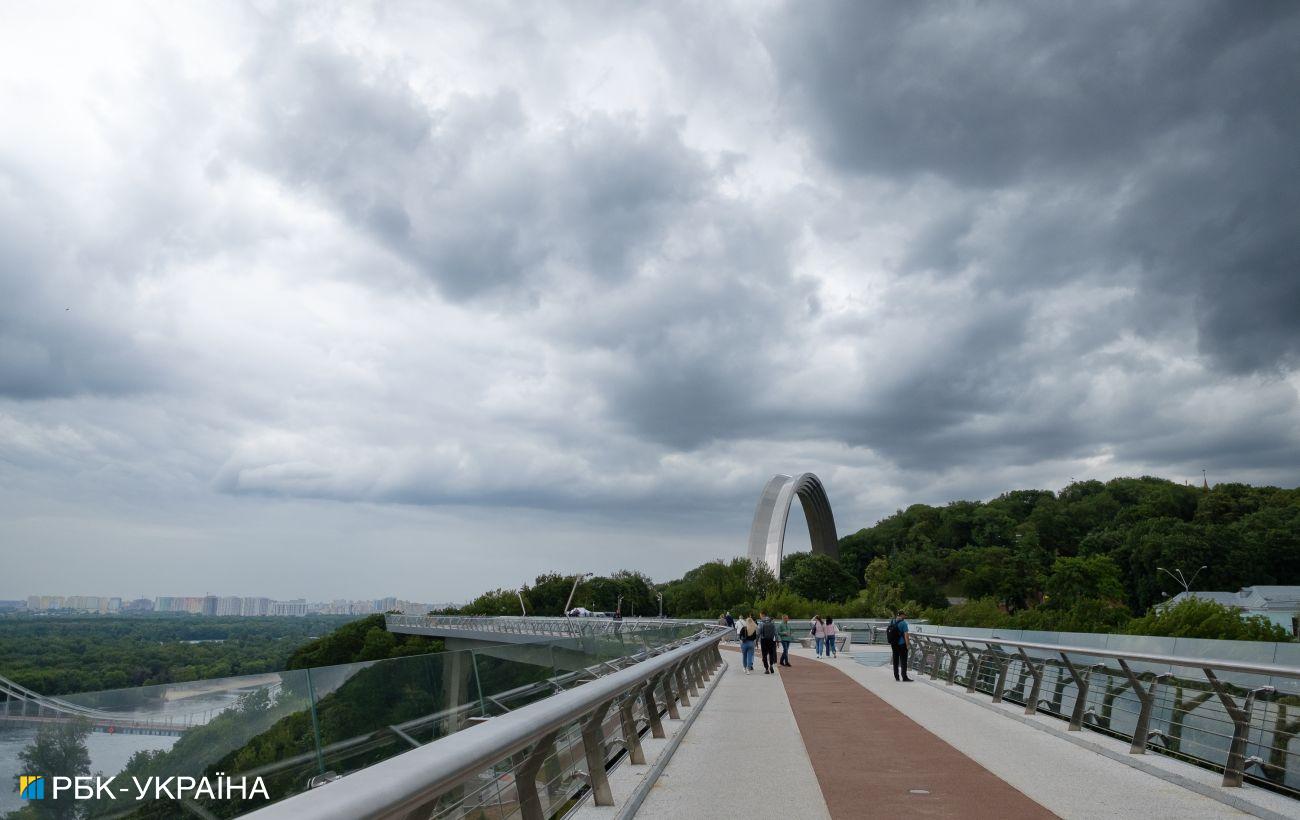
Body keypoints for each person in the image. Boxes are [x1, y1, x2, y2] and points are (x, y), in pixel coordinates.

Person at [888, 610, 913, 682]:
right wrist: (907, 645)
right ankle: (904, 677)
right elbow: (906, 635)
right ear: (902, 615)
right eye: (904, 615)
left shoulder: (892, 621)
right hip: (902, 644)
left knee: (895, 660)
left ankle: (896, 677)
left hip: (894, 644)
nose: (905, 616)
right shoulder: (903, 623)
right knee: (903, 661)